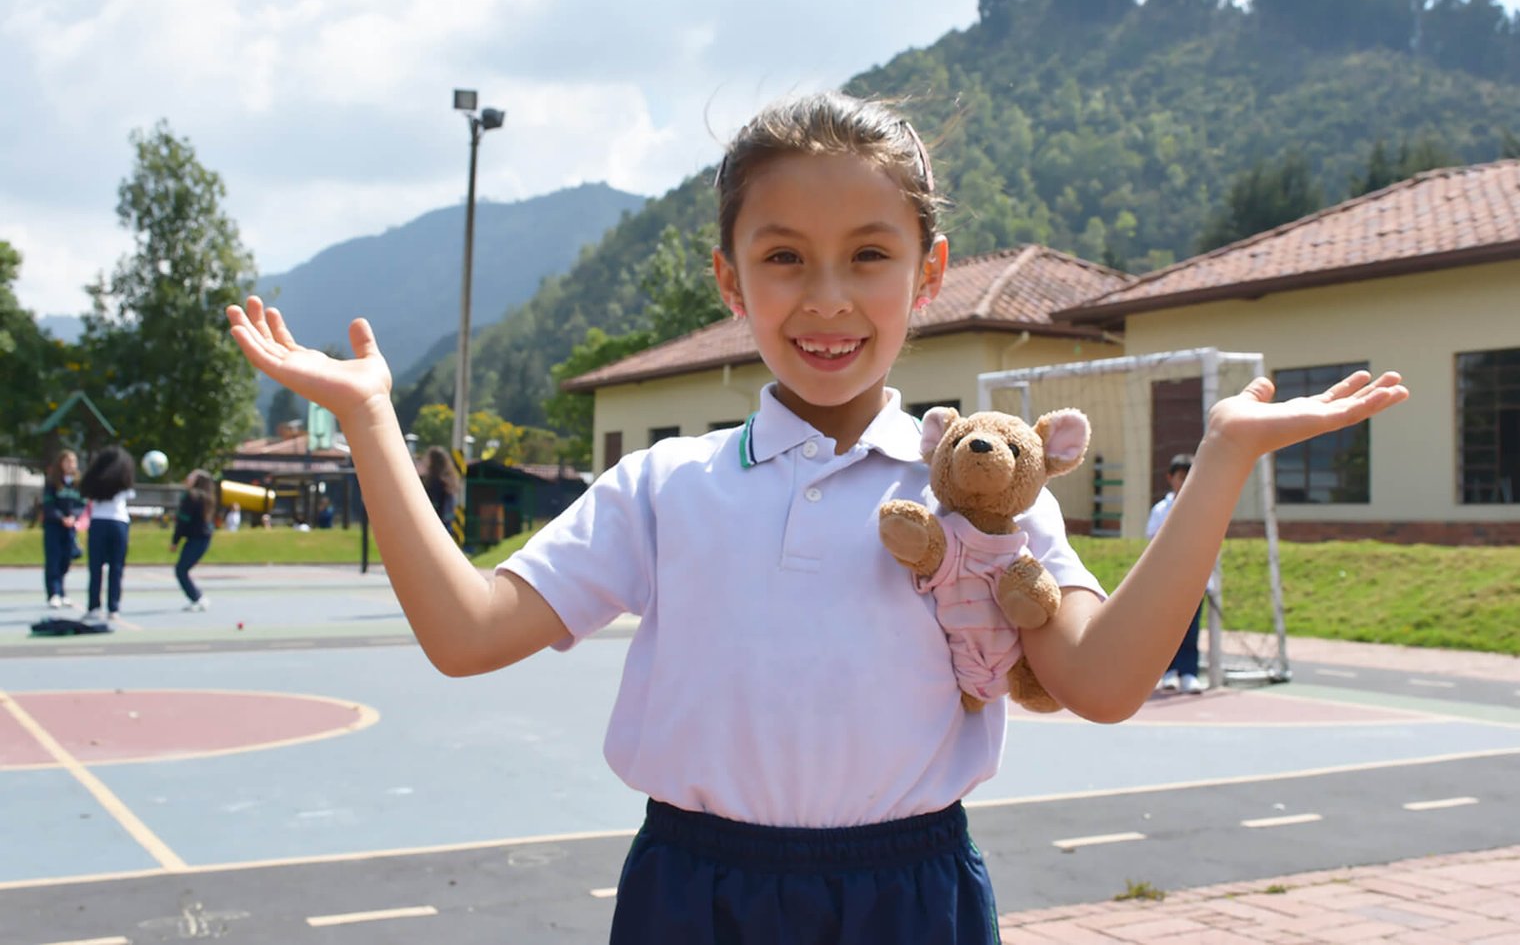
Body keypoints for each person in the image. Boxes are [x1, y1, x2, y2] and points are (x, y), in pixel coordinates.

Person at [226, 91, 1408, 945]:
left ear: (928, 272)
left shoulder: (982, 494)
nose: (828, 297)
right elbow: (466, 629)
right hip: (696, 892)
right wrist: (375, 425)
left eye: (869, 255)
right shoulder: (666, 484)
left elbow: (1098, 681)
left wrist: (1220, 462)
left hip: (910, 895)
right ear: (731, 279)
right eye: (785, 256)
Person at [1146, 453, 1208, 694]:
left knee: (1190, 630)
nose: (1185, 482)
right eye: (1181, 477)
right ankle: (1169, 671)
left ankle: (1189, 673)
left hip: (1194, 578)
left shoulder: (1203, 507)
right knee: (1167, 629)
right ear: (1170, 478)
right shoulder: (1161, 510)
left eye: (1189, 477)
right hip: (1166, 579)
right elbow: (1153, 541)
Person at [79, 445, 135, 622]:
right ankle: (113, 607)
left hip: (98, 522)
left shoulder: (93, 482)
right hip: (119, 522)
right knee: (116, 567)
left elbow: (86, 496)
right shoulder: (123, 481)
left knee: (95, 567)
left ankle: (94, 606)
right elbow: (130, 494)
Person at [40, 450, 83, 610]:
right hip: (54, 526)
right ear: (61, 464)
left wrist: (73, 517)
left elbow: (81, 504)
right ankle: (54, 594)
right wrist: (61, 518)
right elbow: (48, 504)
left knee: (66, 560)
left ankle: (62, 592)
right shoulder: (52, 482)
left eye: (73, 462)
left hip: (70, 526)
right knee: (53, 559)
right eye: (68, 462)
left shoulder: (78, 483)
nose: (71, 465)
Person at [170, 469, 216, 611]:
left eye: (191, 476)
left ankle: (198, 598)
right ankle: (197, 597)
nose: (187, 477)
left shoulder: (191, 496)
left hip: (198, 539)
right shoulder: (207, 497)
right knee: (182, 569)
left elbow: (183, 521)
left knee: (181, 570)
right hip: (202, 538)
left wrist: (175, 541)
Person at [421, 445, 459, 531]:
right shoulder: (447, 480)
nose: (424, 459)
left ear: (433, 461)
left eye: (427, 457)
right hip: (446, 524)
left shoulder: (435, 482)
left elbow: (432, 504)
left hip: (434, 525)